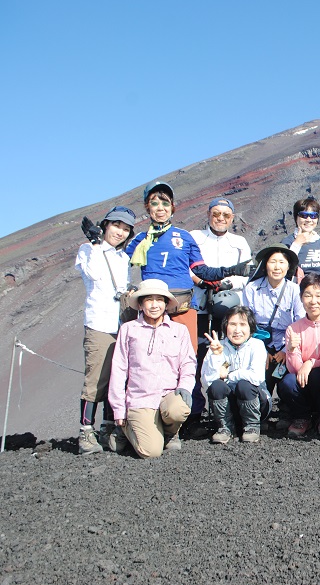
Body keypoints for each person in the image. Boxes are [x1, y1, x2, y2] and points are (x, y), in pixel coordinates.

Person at [126, 181, 247, 348]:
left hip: (183, 306)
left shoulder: (184, 237)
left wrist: (232, 270)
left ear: (172, 206)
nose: (160, 208)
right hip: (152, 307)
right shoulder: (140, 239)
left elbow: (202, 271)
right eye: (154, 203)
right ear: (148, 207)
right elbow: (118, 262)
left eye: (165, 203)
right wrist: (99, 245)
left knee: (187, 356)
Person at [107, 279, 194, 458]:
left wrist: (184, 387)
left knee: (179, 409)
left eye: (159, 300)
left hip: (168, 395)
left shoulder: (179, 330)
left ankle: (170, 434)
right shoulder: (128, 330)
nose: (154, 305)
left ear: (166, 303)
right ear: (140, 304)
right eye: (149, 300)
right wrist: (119, 408)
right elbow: (119, 369)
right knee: (151, 452)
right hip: (141, 399)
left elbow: (188, 363)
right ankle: (126, 428)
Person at [75, 206, 136, 454]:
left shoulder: (123, 258)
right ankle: (85, 432)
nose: (120, 232)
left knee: (116, 378)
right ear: (105, 225)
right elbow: (94, 273)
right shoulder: (88, 250)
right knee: (96, 378)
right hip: (99, 324)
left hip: (120, 325)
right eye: (116, 226)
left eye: (125, 229)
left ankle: (108, 427)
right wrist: (96, 243)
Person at [189, 197, 252, 429]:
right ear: (208, 214)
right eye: (216, 214)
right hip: (198, 305)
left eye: (226, 215)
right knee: (196, 356)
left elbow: (246, 274)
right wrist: (203, 282)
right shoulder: (195, 237)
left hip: (227, 305)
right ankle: (195, 411)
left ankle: (228, 411)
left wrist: (224, 284)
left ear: (232, 218)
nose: (220, 219)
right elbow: (186, 266)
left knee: (226, 356)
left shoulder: (239, 242)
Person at [281, 273, 320, 438]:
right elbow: (294, 369)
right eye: (307, 295)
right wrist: (292, 349)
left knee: (319, 374)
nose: (313, 301)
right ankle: (302, 417)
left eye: (318, 295)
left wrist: (310, 362)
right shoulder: (293, 329)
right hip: (303, 382)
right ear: (301, 298)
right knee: (287, 382)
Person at [241, 244, 305, 400]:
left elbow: (300, 322)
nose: (277, 267)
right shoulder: (251, 289)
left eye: (282, 262)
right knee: (258, 383)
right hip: (259, 343)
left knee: (289, 383)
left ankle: (287, 412)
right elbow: (246, 323)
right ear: (265, 265)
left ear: (288, 266)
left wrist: (286, 350)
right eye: (273, 262)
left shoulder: (294, 290)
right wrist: (261, 350)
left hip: (287, 343)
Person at [200, 305, 269, 443]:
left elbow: (257, 377)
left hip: (255, 401)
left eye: (242, 324)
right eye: (232, 324)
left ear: (250, 327)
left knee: (244, 385)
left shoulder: (257, 345)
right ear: (225, 327)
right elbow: (208, 382)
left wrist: (230, 375)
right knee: (217, 386)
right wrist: (216, 355)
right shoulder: (217, 346)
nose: (237, 330)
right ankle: (225, 428)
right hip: (229, 407)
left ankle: (252, 427)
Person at [281, 196, 320, 278]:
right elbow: (283, 269)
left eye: (313, 216)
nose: (309, 220)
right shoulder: (287, 243)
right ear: (296, 217)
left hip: (318, 289)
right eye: (304, 215)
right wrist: (297, 244)